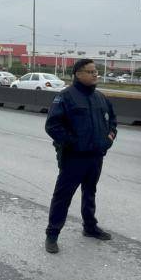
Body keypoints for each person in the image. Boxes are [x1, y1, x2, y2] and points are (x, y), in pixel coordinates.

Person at [44, 59, 117, 253]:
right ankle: (52, 234)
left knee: (90, 192)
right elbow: (52, 125)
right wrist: (72, 143)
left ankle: (90, 227)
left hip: (95, 156)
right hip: (73, 158)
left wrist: (108, 139)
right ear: (78, 74)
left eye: (96, 71)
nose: (95, 74)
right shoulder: (66, 97)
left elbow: (112, 122)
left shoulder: (101, 98)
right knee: (63, 196)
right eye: (90, 71)